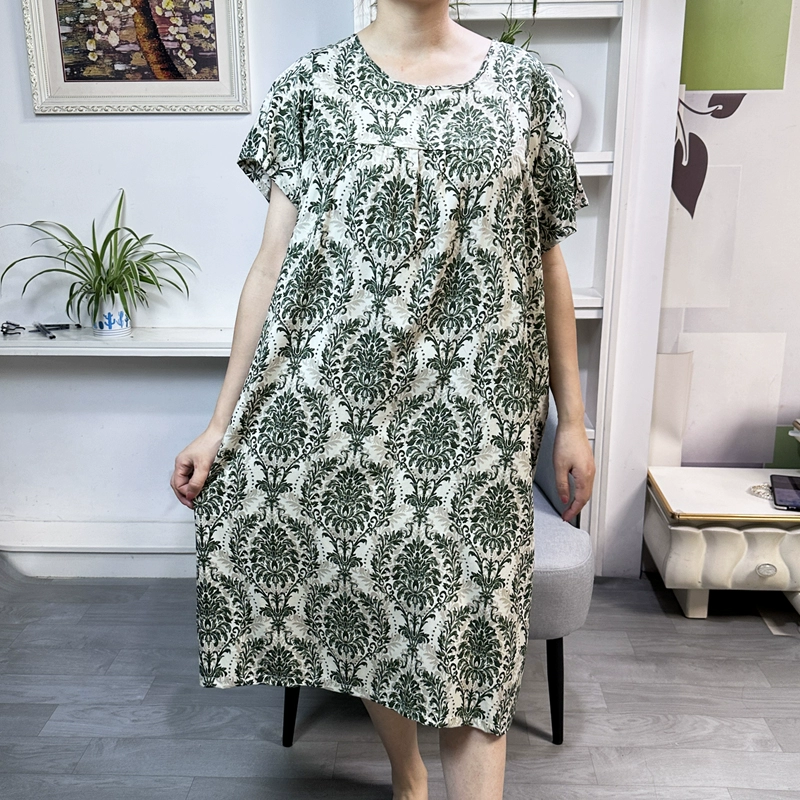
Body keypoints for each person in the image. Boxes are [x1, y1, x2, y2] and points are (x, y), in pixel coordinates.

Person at [171, 1, 595, 797]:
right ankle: (408, 777)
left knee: (475, 638)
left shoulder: (524, 87)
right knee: (362, 605)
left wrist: (573, 420)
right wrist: (219, 424)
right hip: (341, 408)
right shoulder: (310, 87)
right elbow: (271, 265)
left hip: (479, 416)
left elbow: (548, 261)